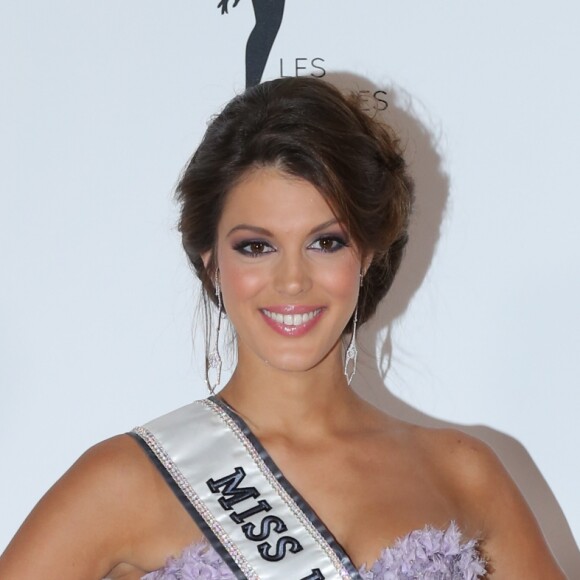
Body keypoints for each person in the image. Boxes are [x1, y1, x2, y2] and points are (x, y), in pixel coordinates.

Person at [0, 77, 564, 579]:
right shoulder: (125, 481)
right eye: (256, 246)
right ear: (211, 261)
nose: (292, 281)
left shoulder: (464, 473)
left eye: (326, 242)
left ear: (366, 255)